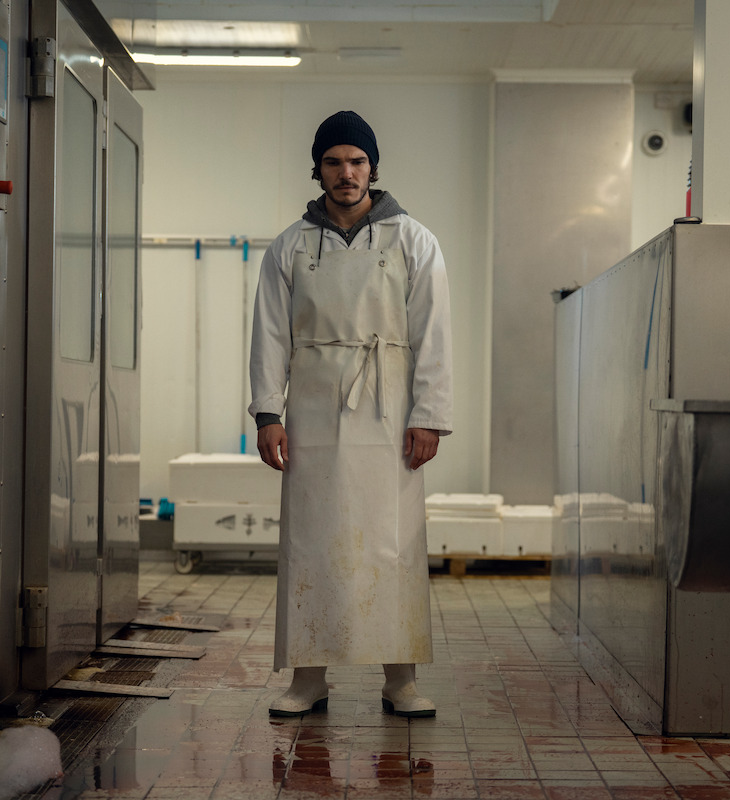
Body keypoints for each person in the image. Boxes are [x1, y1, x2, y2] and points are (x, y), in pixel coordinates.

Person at [248, 110, 454, 718]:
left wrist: (431, 414)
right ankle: (308, 677)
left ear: (373, 169)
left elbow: (434, 333)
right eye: (335, 162)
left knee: (394, 541)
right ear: (317, 169)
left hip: (390, 408)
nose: (347, 173)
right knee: (312, 540)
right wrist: (267, 413)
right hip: (311, 407)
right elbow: (268, 334)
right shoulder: (289, 246)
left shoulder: (413, 240)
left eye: (357, 162)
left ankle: (401, 677)